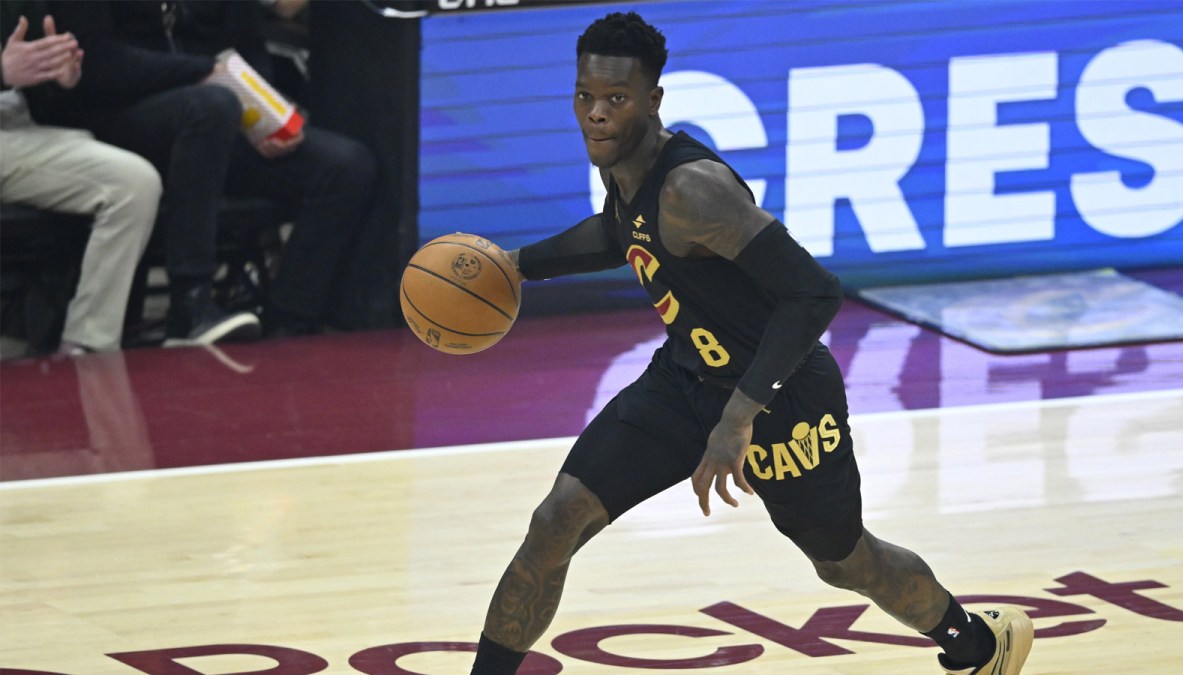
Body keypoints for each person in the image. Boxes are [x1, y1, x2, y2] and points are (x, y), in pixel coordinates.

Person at [470, 12, 1033, 675]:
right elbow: (619, 231)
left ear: (652, 101)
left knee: (845, 561)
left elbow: (814, 292)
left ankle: (975, 643)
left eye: (615, 99)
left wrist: (738, 418)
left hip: (781, 394)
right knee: (557, 518)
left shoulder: (691, 188)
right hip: (686, 378)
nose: (596, 113)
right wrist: (517, 263)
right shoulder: (625, 165)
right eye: (584, 96)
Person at [26, 0, 377, 342]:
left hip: (216, 117)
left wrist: (263, 119)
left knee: (346, 166)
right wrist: (201, 71)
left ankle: (286, 323)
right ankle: (190, 302)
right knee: (210, 107)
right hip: (119, 115)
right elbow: (98, 64)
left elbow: (249, 52)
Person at [1, 10, 159, 356]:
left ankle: (87, 343)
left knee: (134, 181)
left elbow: (30, 87)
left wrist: (59, 80)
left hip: (15, 128)